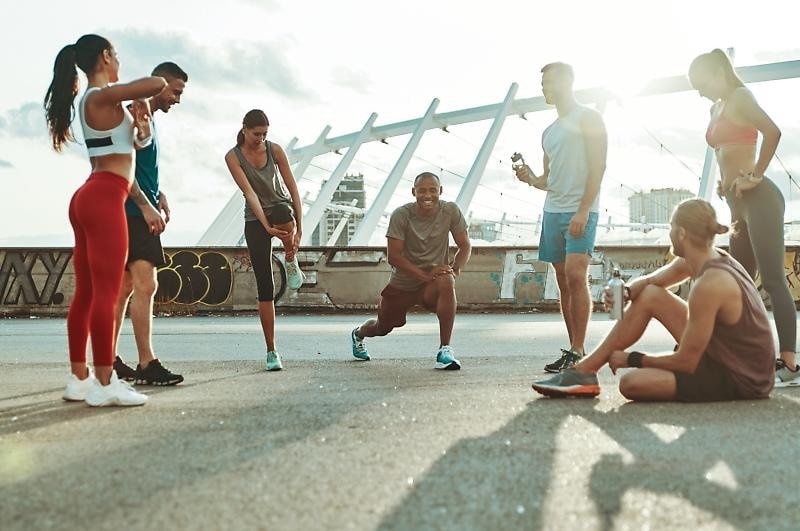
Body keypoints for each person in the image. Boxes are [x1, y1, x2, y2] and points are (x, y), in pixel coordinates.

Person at [531, 199, 775, 402]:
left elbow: (687, 361)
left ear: (681, 233)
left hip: (740, 377)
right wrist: (626, 292)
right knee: (650, 295)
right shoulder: (709, 257)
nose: (668, 234)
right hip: (728, 356)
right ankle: (584, 371)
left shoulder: (710, 284)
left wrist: (632, 358)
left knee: (631, 384)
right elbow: (652, 283)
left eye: (670, 227)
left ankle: (583, 371)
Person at [45, 34, 167, 406]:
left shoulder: (100, 101)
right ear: (104, 56)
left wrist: (141, 122)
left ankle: (79, 378)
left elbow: (133, 146)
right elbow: (158, 83)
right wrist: (138, 95)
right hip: (103, 197)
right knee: (106, 292)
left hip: (94, 194)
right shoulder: (100, 95)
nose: (119, 61)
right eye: (115, 54)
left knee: (86, 293)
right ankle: (103, 382)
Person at [689, 49, 798, 387]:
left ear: (719, 72)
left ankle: (791, 365)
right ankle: (746, 356)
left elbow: (773, 131)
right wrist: (724, 182)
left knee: (773, 279)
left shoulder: (740, 96)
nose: (699, 92)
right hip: (736, 205)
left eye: (701, 83)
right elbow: (724, 151)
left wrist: (754, 175)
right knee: (741, 281)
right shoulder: (716, 106)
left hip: (760, 198)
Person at [514, 62, 608, 373]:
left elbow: (598, 167)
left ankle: (579, 348)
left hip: (581, 210)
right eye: (542, 84)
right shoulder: (549, 132)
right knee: (563, 282)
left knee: (576, 275)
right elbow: (548, 179)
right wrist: (529, 178)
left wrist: (583, 210)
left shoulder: (589, 117)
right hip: (553, 211)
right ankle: (573, 350)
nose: (544, 88)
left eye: (549, 82)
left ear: (568, 82)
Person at [112, 62, 188, 386]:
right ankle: (147, 363)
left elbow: (139, 168)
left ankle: (109, 360)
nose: (178, 99)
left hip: (133, 210)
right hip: (130, 213)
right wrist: (145, 207)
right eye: (176, 91)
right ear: (159, 84)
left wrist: (159, 194)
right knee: (147, 285)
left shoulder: (148, 119)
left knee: (125, 289)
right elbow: (119, 168)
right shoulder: (133, 116)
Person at [350, 172, 472, 370]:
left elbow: (464, 245)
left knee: (446, 280)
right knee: (383, 327)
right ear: (414, 192)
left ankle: (445, 350)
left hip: (431, 283)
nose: (428, 195)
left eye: (433, 190)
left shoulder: (450, 211)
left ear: (440, 191)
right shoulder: (402, 215)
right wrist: (424, 274)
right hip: (403, 285)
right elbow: (394, 257)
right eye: (422, 190)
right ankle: (358, 333)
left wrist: (454, 269)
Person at [224, 109, 304, 371]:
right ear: (244, 129)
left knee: (282, 210)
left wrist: (299, 228)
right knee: (265, 284)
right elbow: (250, 193)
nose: (260, 138)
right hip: (255, 217)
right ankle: (271, 351)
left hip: (281, 209)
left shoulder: (275, 150)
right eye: (256, 133)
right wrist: (266, 228)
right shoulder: (233, 157)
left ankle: (290, 256)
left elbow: (292, 189)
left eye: (265, 134)